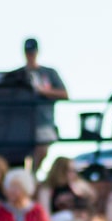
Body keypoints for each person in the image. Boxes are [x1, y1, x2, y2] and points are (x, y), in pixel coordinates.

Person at [14, 38, 68, 172]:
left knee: (42, 150)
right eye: (28, 52)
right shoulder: (17, 74)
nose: (30, 55)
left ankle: (33, 175)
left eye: (32, 52)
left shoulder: (49, 72)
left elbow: (64, 94)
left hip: (43, 120)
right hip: (21, 121)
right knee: (21, 153)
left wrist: (44, 91)